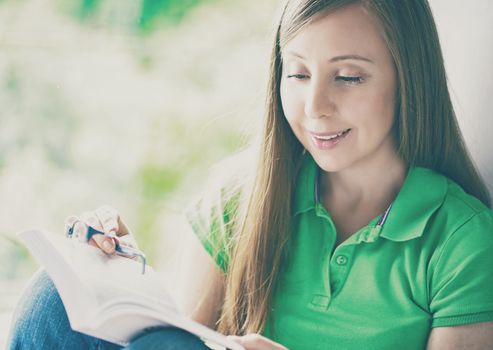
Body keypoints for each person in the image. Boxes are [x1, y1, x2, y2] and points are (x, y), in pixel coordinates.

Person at [8, 0, 493, 349]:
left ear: (409, 80)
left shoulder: (461, 239)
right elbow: (172, 338)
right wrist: (117, 276)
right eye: (298, 74)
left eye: (348, 77)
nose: (315, 107)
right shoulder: (242, 194)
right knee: (55, 294)